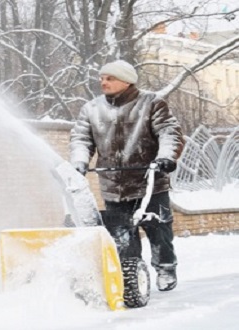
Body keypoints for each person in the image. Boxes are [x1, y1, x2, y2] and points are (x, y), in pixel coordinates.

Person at [69, 60, 184, 292]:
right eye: (102, 78)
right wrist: (80, 161)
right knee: (123, 237)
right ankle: (132, 275)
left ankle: (165, 267)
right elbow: (81, 138)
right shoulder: (91, 108)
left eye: (110, 78)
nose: (103, 82)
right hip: (113, 186)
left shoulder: (151, 103)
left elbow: (169, 133)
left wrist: (166, 158)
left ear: (126, 80)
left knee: (159, 230)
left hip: (150, 182)